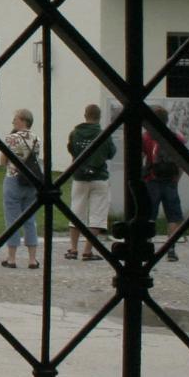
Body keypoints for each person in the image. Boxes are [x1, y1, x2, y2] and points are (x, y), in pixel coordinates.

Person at [66, 103, 114, 262]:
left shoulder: (75, 133)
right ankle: (87, 251)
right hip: (99, 177)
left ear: (85, 115)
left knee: (76, 211)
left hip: (80, 176)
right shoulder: (103, 134)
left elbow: (71, 150)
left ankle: (73, 248)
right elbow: (111, 153)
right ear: (99, 117)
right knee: (97, 215)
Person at [0, 108, 43, 269]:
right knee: (30, 219)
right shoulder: (37, 139)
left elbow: (3, 161)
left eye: (15, 119)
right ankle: (32, 259)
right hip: (31, 181)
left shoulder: (11, 138)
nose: (13, 121)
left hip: (14, 178)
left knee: (12, 219)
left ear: (23, 120)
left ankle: (12, 258)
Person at [141, 105, 184, 262]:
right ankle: (171, 250)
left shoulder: (146, 137)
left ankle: (147, 247)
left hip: (151, 180)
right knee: (173, 217)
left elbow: (140, 158)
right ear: (166, 120)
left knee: (149, 216)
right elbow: (181, 162)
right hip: (170, 181)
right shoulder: (176, 137)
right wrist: (176, 178)